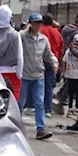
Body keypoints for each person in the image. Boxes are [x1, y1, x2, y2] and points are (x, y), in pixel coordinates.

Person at [18, 12, 57, 140]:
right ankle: (16, 127)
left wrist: (54, 63)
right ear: (30, 23)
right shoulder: (21, 36)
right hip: (24, 75)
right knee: (20, 103)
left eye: (39, 23)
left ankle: (41, 129)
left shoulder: (43, 39)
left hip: (38, 75)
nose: (37, 25)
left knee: (39, 102)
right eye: (35, 23)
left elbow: (48, 54)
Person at [41, 13, 64, 117]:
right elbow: (61, 50)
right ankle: (47, 110)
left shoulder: (40, 31)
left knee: (38, 84)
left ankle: (36, 106)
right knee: (49, 86)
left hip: (40, 60)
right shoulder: (57, 33)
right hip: (53, 62)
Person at [62, 33, 78, 114]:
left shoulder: (68, 51)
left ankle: (70, 107)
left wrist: (64, 72)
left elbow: (64, 61)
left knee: (70, 92)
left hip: (70, 74)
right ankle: (77, 107)